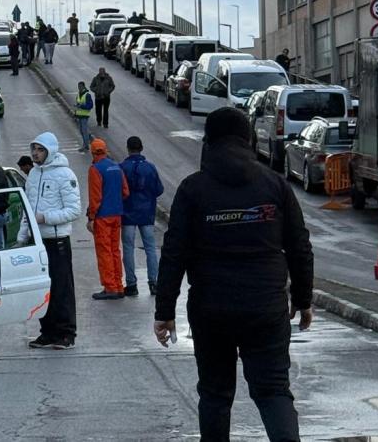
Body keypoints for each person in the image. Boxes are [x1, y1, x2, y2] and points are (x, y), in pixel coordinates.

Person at [154, 107, 314, 442]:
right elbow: (299, 246)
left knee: (214, 393)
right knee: (273, 390)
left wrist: (164, 311)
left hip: (211, 307)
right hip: (266, 306)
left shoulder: (193, 190)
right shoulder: (276, 185)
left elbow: (174, 252)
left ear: (208, 142)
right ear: (249, 139)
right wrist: (303, 299)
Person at [20, 133, 82, 350]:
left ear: (50, 151)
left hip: (57, 241)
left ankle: (66, 333)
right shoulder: (34, 175)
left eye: (39, 149)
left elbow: (74, 210)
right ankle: (47, 331)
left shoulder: (65, 175)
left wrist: (46, 218)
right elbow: (26, 208)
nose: (35, 153)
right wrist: (22, 237)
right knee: (43, 289)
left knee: (62, 288)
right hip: (38, 241)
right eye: (33, 149)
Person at [120, 136, 163, 297]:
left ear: (128, 148)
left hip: (128, 213)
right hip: (147, 213)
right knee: (150, 248)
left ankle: (131, 284)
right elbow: (159, 189)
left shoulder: (122, 167)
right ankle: (153, 283)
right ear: (141, 147)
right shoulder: (150, 168)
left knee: (128, 248)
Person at [87, 138, 129, 300]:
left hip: (103, 217)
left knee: (104, 252)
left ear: (92, 152)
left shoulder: (95, 169)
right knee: (115, 251)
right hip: (117, 215)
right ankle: (118, 285)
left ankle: (110, 287)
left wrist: (91, 217)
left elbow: (95, 197)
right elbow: (125, 192)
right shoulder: (116, 167)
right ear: (105, 150)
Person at [74, 81, 93, 152]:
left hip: (84, 115)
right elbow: (78, 104)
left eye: (80, 86)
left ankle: (85, 145)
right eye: (78, 87)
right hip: (79, 115)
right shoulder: (79, 94)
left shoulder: (87, 95)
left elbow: (90, 105)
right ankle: (88, 141)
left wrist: (82, 106)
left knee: (84, 131)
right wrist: (75, 114)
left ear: (83, 86)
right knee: (82, 131)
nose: (79, 88)